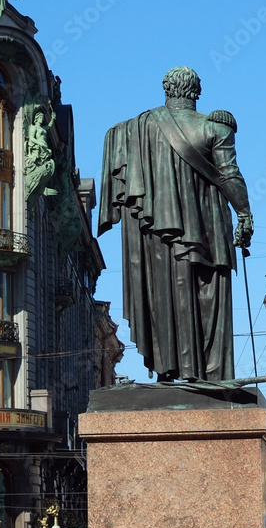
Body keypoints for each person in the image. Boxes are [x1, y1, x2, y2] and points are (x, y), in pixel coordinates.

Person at [99, 66, 253, 382]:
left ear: (167, 90)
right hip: (208, 229)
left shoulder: (133, 129)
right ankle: (211, 375)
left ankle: (166, 370)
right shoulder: (215, 127)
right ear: (197, 91)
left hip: (154, 232)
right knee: (208, 296)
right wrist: (245, 215)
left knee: (159, 293)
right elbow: (229, 175)